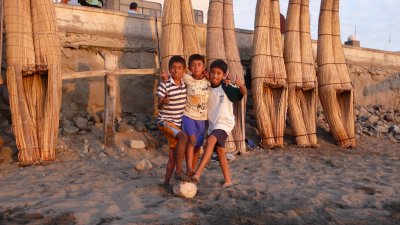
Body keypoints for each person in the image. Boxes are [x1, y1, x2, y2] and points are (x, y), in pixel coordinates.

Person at [191, 59, 247, 188]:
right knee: (221, 152)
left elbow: (242, 94)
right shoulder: (206, 86)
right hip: (213, 125)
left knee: (210, 142)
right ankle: (228, 180)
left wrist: (241, 85)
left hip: (224, 123)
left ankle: (197, 174)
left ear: (224, 75)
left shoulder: (227, 87)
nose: (215, 76)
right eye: (213, 72)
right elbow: (201, 74)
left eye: (219, 73)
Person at [162, 54, 210, 177]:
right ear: (188, 68)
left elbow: (219, 82)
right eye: (193, 65)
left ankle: (191, 172)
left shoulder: (208, 81)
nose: (196, 68)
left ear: (204, 67)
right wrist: (166, 79)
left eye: (199, 65)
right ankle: (187, 168)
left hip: (202, 119)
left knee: (196, 147)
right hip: (188, 115)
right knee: (191, 140)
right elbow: (175, 75)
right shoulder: (187, 78)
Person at [157, 56, 189, 186]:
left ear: (184, 70)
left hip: (176, 124)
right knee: (183, 136)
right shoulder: (164, 85)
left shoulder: (185, 86)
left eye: (179, 68)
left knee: (172, 156)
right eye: (173, 68)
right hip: (164, 122)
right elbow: (158, 106)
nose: (176, 70)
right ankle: (179, 171)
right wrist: (162, 102)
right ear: (169, 69)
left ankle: (165, 183)